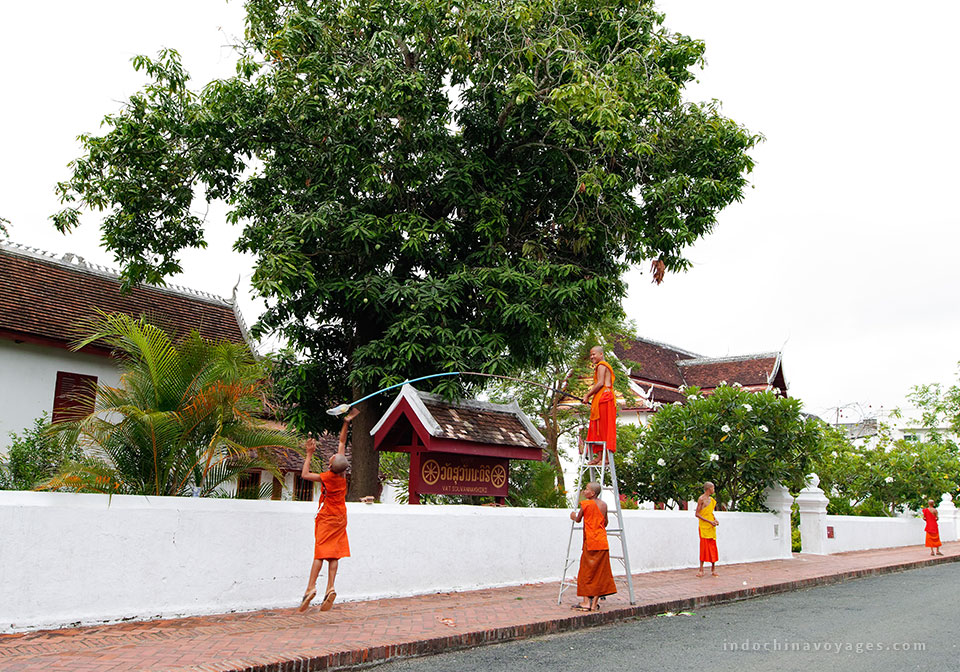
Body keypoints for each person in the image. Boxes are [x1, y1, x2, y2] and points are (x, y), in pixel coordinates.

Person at [298, 407, 358, 612]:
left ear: (331, 465)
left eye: (332, 458)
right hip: (341, 518)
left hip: (326, 518)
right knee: (334, 555)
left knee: (320, 554)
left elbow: (305, 475)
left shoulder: (326, 476)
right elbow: (342, 442)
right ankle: (330, 587)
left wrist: (309, 454)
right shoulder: (342, 477)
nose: (332, 456)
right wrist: (346, 422)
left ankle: (310, 587)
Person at [570, 482, 617, 611]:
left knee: (586, 572)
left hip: (590, 542)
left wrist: (572, 516)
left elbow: (578, 519)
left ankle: (586, 602)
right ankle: (594, 603)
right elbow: (605, 522)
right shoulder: (604, 505)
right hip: (602, 541)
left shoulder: (586, 504)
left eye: (586, 490)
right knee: (600, 573)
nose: (584, 491)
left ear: (593, 493)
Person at [582, 346, 616, 466]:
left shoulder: (602, 365)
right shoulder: (600, 365)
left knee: (603, 428)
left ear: (601, 354)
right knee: (598, 428)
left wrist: (587, 395)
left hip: (605, 399)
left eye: (594, 354)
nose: (592, 357)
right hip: (601, 398)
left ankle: (605, 457)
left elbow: (601, 383)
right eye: (591, 355)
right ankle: (599, 456)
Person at [695, 481, 719, 577]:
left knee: (713, 547)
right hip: (704, 527)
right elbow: (697, 514)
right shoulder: (701, 499)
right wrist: (709, 521)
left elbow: (710, 513)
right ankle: (701, 569)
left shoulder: (712, 500)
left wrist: (715, 520)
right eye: (713, 488)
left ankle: (713, 569)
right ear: (709, 489)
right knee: (704, 547)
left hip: (711, 527)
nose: (714, 490)